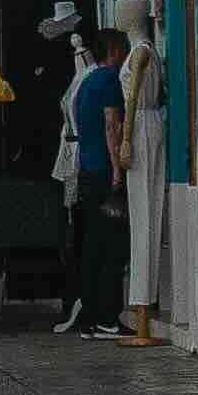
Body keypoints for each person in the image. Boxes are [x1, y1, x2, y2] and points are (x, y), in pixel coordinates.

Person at [64, 29, 132, 336]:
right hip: (104, 171)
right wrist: (117, 170)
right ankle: (107, 316)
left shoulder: (87, 82)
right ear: (114, 50)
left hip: (87, 171)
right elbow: (111, 125)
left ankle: (91, 312)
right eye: (123, 48)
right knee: (112, 244)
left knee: (93, 243)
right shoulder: (109, 80)